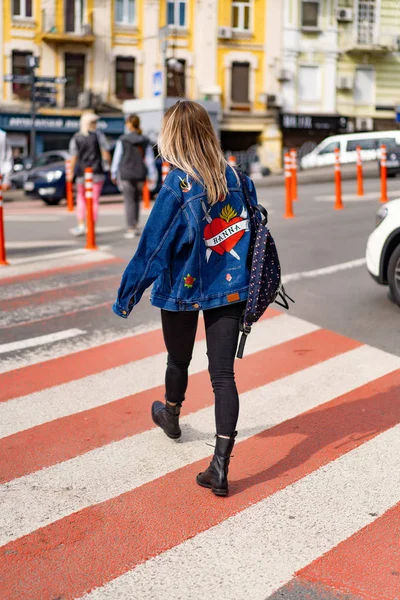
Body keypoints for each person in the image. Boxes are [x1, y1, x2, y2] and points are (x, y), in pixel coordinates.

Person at [113, 100, 259, 497]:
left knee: (179, 358)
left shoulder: (178, 185)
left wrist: (127, 297)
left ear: (172, 137)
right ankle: (221, 467)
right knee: (223, 377)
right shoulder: (237, 178)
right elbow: (255, 230)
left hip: (182, 288)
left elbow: (152, 248)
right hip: (230, 287)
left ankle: (172, 414)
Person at [111, 114, 157, 239]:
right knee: (136, 200)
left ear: (129, 124)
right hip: (140, 173)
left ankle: (131, 227)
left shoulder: (123, 139)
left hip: (126, 173)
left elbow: (117, 157)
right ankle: (135, 225)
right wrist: (152, 174)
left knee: (129, 201)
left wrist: (113, 172)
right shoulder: (144, 140)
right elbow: (149, 159)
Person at [68, 111, 111, 236]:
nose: (96, 124)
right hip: (97, 172)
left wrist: (70, 172)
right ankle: (91, 226)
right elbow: (105, 153)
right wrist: (108, 165)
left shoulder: (76, 137)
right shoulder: (99, 136)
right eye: (94, 122)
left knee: (81, 199)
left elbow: (74, 157)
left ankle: (81, 225)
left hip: (82, 172)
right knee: (94, 200)